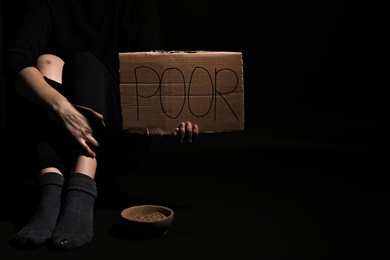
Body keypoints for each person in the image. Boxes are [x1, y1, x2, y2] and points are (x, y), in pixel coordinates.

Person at [2, 0, 199, 251]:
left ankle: (80, 191)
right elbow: (14, 58)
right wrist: (61, 107)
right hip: (56, 134)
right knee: (47, 62)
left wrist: (168, 124)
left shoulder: (136, 6)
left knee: (85, 63)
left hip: (118, 137)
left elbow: (152, 78)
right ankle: (50, 192)